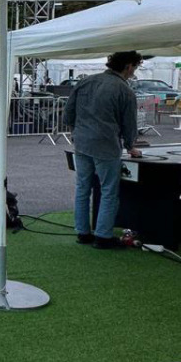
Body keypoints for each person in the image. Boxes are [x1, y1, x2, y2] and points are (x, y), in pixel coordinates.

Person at [65, 51, 143, 249]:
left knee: (83, 188)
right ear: (128, 66)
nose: (134, 71)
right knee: (108, 190)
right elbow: (129, 123)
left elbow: (68, 112)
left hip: (81, 142)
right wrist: (130, 146)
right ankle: (103, 236)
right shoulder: (124, 90)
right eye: (135, 67)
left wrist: (76, 132)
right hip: (106, 144)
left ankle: (83, 232)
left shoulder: (85, 81)